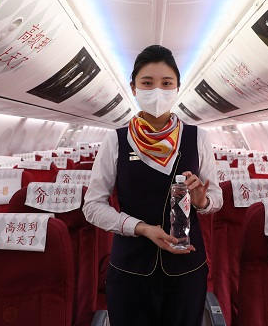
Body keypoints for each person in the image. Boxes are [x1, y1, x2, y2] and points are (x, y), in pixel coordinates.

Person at [83, 45, 223, 325]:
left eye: (166, 83)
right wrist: (140, 228)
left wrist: (202, 202)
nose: (157, 91)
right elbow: (92, 206)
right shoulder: (116, 140)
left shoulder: (198, 137)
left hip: (186, 268)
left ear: (177, 88)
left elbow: (216, 197)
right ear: (133, 88)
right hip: (130, 268)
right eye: (147, 83)